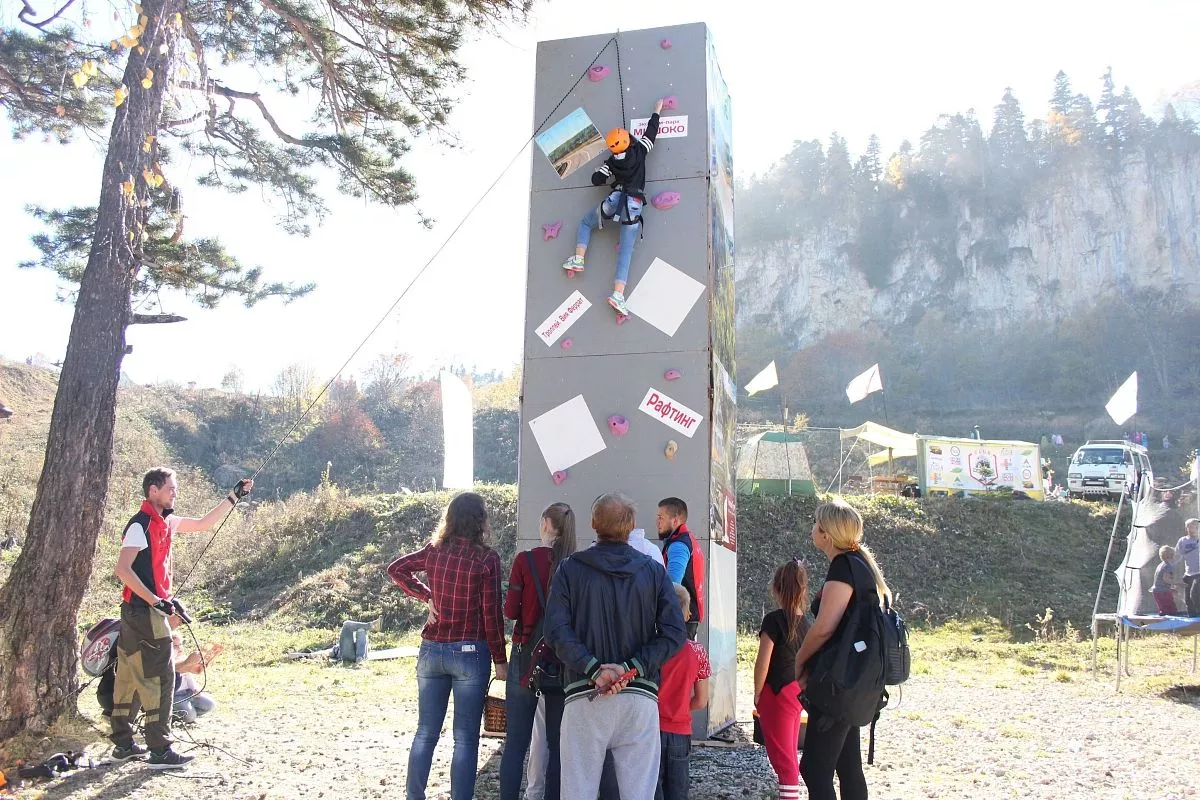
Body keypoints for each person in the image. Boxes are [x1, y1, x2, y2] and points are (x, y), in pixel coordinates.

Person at [544, 492, 686, 800]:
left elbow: (556, 630)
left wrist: (593, 668)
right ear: (633, 525)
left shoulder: (569, 569)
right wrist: (630, 667)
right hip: (639, 695)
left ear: (594, 523)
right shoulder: (653, 570)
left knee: (577, 791)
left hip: (585, 695)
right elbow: (675, 633)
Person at [109, 468, 252, 769]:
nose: (175, 493)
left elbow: (203, 524)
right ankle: (160, 751)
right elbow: (123, 570)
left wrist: (233, 497)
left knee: (129, 676)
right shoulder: (140, 525)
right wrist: (156, 601)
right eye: (170, 489)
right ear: (153, 491)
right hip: (144, 612)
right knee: (162, 677)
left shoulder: (168, 522)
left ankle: (123, 744)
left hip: (138, 612)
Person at [388, 492, 508, 800]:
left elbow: (396, 568)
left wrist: (426, 595)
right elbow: (491, 612)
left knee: (426, 731)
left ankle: (414, 795)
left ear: (450, 519)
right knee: (465, 738)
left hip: (432, 648)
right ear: (481, 521)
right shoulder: (487, 559)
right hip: (470, 651)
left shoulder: (433, 551)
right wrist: (500, 659)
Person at [794, 499, 889, 800]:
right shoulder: (859, 565)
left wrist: (799, 659)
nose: (812, 529)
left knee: (814, 770)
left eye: (816, 524)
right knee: (848, 766)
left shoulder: (843, 567)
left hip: (838, 680)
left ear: (827, 534)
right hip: (856, 679)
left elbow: (824, 627)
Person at [562, 98, 666, 316]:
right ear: (628, 140)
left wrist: (604, 175)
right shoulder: (640, 151)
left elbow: (596, 179)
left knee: (585, 223)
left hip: (614, 202)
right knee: (625, 253)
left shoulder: (611, 161)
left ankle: (579, 259)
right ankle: (618, 295)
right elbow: (651, 133)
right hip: (634, 206)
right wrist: (657, 111)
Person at [501, 503, 576, 800]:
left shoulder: (525, 560)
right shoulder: (575, 563)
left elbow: (510, 611)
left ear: (545, 523)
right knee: (557, 744)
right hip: (562, 659)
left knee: (516, 742)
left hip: (525, 655)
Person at [754, 559, 811, 800]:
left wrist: (757, 692)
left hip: (775, 693)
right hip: (796, 692)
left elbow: (763, 662)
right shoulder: (807, 624)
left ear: (776, 588)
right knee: (787, 753)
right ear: (803, 590)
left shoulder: (774, 620)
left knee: (783, 759)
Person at [655, 584, 711, 800]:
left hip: (651, 729)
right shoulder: (698, 652)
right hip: (680, 731)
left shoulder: (652, 648)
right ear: (687, 615)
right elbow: (701, 700)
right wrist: (679, 707)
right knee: (677, 791)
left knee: (651, 789)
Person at [657, 498, 705, 641]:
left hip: (680, 618)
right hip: (688, 617)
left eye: (661, 517)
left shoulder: (678, 545)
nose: (657, 522)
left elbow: (673, 585)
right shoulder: (688, 540)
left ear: (675, 520)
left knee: (676, 662)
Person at [170, 621, 221, 724]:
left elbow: (189, 677)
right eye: (175, 646)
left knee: (210, 705)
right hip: (175, 695)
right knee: (190, 717)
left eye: (180, 645)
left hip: (187, 693)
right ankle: (177, 715)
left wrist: (195, 689)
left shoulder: (184, 658)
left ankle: (186, 712)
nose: (179, 648)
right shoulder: (168, 662)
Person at [1174, 519, 1200, 617]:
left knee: (1194, 594)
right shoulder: (1183, 541)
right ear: (1187, 528)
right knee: (1188, 599)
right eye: (1190, 527)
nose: (1193, 529)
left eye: (1195, 527)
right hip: (1188, 573)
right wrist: (1167, 564)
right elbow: (1177, 556)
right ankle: (1192, 617)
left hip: (1199, 572)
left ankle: (1198, 614)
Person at [1152, 546, 1179, 616]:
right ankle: (1171, 625)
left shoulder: (1160, 565)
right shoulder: (1168, 566)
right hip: (1163, 592)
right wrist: (1177, 584)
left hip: (1157, 591)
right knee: (1172, 610)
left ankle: (1163, 625)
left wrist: (1170, 589)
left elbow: (1160, 581)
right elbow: (1166, 579)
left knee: (1164, 610)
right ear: (1171, 555)